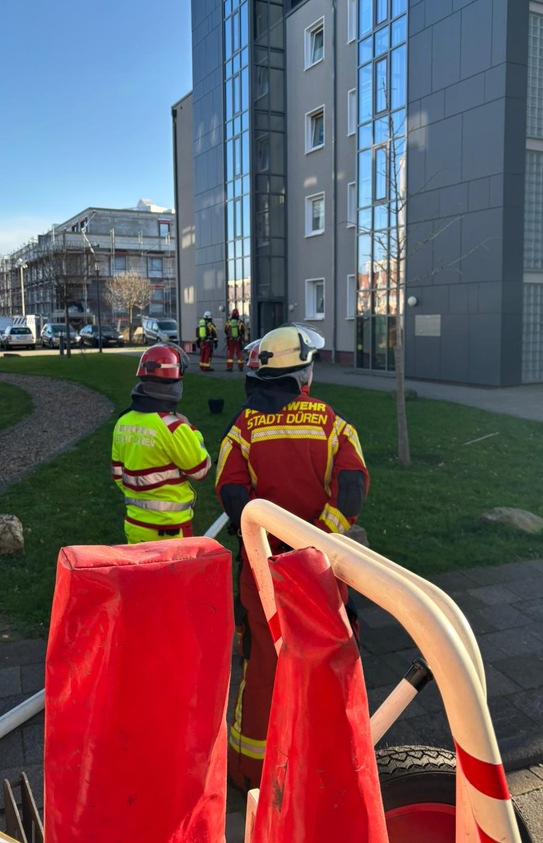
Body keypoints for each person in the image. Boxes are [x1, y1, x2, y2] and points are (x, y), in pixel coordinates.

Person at [215, 323, 369, 792]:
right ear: (304, 374)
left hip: (261, 569)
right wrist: (316, 539)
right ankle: (326, 760)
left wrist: (265, 542)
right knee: (325, 655)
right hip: (320, 567)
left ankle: (250, 771)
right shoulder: (331, 423)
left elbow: (231, 489)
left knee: (263, 661)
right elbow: (352, 487)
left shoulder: (242, 426)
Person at [111, 344, 212, 542]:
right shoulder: (174, 427)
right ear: (174, 384)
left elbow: (117, 475)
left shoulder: (122, 422)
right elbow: (201, 468)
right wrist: (191, 429)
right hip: (171, 531)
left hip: (134, 526)